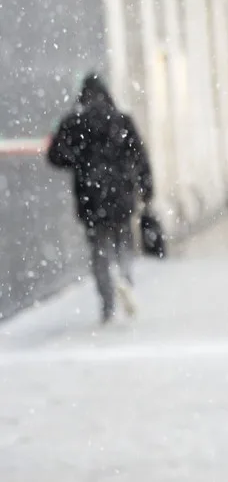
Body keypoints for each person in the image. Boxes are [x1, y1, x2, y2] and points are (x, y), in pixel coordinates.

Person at [47, 73, 154, 324]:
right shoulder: (121, 120)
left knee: (99, 249)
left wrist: (77, 158)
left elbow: (55, 156)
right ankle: (125, 278)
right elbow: (140, 156)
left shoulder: (74, 122)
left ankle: (108, 303)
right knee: (123, 240)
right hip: (121, 193)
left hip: (90, 196)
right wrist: (147, 190)